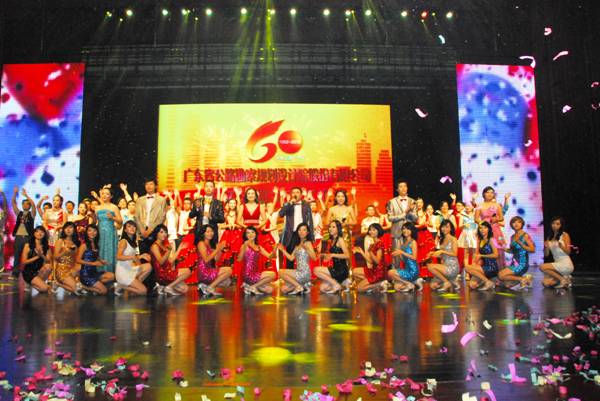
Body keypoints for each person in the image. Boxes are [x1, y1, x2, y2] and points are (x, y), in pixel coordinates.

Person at [149, 224, 192, 296]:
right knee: (188, 271)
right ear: (156, 233)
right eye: (161, 232)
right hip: (162, 274)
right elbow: (161, 262)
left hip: (168, 271)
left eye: (165, 232)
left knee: (185, 289)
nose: (164, 234)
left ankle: (163, 287)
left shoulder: (163, 246)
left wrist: (179, 248)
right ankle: (169, 287)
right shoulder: (154, 246)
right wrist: (168, 251)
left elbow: (171, 261)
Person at [278, 187, 314, 269]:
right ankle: (289, 275)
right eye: (293, 192)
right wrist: (290, 204)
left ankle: (302, 274)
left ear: (301, 195)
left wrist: (311, 236)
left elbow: (310, 220)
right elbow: (281, 214)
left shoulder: (306, 205)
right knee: (290, 258)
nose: (295, 194)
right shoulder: (287, 204)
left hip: (303, 234)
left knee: (303, 257)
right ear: (291, 194)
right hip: (291, 234)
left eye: (297, 192)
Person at [115, 220, 153, 296]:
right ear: (125, 230)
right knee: (143, 291)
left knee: (148, 266)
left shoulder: (132, 242)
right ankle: (122, 286)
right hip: (123, 272)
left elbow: (131, 255)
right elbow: (118, 256)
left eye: (134, 226)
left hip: (129, 269)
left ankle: (132, 286)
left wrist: (141, 256)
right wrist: (133, 257)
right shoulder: (124, 241)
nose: (132, 228)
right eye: (129, 226)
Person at [277, 223, 316, 295]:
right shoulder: (297, 246)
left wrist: (307, 249)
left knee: (280, 272)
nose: (301, 232)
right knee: (284, 289)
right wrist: (283, 250)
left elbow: (314, 258)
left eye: (304, 230)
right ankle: (303, 286)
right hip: (298, 271)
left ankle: (299, 286)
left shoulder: (308, 243)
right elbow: (291, 258)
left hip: (304, 273)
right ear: (297, 232)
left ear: (307, 232)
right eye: (299, 230)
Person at [76, 224, 115, 295]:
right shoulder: (84, 245)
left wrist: (102, 261)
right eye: (90, 230)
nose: (92, 232)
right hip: (86, 274)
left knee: (112, 276)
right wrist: (93, 263)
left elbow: (95, 256)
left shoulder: (96, 245)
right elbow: (77, 260)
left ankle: (95, 286)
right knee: (104, 291)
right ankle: (82, 286)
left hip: (94, 272)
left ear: (97, 232)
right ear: (87, 232)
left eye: (94, 230)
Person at [314, 220, 351, 294]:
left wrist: (332, 255)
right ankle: (342, 282)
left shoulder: (340, 239)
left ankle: (336, 284)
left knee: (316, 270)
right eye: (330, 227)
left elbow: (347, 255)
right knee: (322, 288)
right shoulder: (333, 240)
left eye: (333, 227)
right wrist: (323, 255)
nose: (330, 229)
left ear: (338, 229)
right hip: (335, 268)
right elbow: (335, 253)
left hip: (341, 270)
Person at [386, 181, 417, 269]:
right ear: (397, 189)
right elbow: (390, 218)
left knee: (409, 255)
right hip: (397, 233)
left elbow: (415, 218)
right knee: (397, 256)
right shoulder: (391, 202)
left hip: (409, 233)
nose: (403, 188)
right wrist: (404, 214)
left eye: (405, 186)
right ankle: (395, 274)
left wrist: (409, 212)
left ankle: (410, 274)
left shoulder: (412, 201)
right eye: (401, 186)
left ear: (407, 188)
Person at [238, 226, 277, 295]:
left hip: (256, 273)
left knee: (270, 290)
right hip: (247, 274)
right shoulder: (244, 245)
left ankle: (249, 286)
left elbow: (270, 257)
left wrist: (275, 249)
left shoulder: (259, 247)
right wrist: (244, 246)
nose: (250, 234)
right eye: (248, 233)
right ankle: (253, 286)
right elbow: (239, 259)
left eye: (252, 232)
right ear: (245, 235)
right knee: (273, 274)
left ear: (256, 234)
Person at [499, 216, 535, 290]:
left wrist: (521, 244)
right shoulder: (512, 236)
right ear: (511, 224)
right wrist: (504, 248)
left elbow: (532, 249)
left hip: (522, 264)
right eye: (514, 222)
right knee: (507, 284)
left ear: (522, 224)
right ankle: (525, 279)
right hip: (514, 263)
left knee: (501, 275)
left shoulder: (525, 235)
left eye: (519, 222)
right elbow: (513, 251)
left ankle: (523, 279)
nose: (516, 224)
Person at [352, 223, 389, 293]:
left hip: (379, 272)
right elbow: (371, 262)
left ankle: (380, 283)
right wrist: (361, 252)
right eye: (370, 230)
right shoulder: (373, 244)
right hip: (373, 270)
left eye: (374, 230)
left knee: (359, 288)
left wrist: (370, 252)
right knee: (354, 271)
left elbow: (378, 261)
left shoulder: (380, 243)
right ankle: (373, 286)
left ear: (378, 231)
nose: (371, 232)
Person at [196, 224, 232, 296]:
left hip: (209, 269)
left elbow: (215, 260)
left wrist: (221, 250)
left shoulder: (210, 244)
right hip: (204, 271)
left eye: (211, 231)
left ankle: (205, 286)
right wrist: (217, 250)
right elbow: (206, 260)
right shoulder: (201, 243)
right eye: (208, 232)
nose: (210, 233)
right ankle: (210, 287)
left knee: (227, 282)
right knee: (229, 270)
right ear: (203, 233)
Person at [475, 186, 506, 268]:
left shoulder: (497, 205)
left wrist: (495, 219)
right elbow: (476, 219)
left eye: (492, 192)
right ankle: (486, 269)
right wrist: (483, 224)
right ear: (483, 194)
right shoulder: (479, 206)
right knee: (485, 249)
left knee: (498, 249)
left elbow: (502, 218)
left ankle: (499, 269)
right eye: (487, 192)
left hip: (495, 230)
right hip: (484, 231)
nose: (490, 194)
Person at [540, 217, 574, 289]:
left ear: (561, 225)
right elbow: (546, 254)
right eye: (553, 223)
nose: (554, 225)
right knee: (545, 283)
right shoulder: (549, 237)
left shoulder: (565, 235)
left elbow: (569, 252)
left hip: (566, 264)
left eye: (557, 224)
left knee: (542, 267)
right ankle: (566, 278)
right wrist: (546, 247)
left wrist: (562, 247)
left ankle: (563, 280)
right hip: (557, 264)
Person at [427, 219, 460, 292]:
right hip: (445, 266)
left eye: (447, 227)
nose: (444, 229)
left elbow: (455, 254)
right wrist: (433, 254)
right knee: (433, 286)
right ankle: (451, 281)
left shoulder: (453, 239)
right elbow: (443, 256)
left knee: (430, 266)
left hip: (452, 267)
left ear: (451, 228)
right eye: (443, 227)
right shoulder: (442, 239)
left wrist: (441, 251)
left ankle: (446, 282)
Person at [388, 222, 423, 292]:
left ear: (412, 230)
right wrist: (398, 254)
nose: (405, 230)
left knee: (390, 273)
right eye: (403, 229)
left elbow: (414, 257)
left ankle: (408, 283)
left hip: (413, 271)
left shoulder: (413, 242)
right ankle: (414, 282)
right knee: (396, 287)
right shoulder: (404, 243)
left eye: (407, 229)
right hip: (407, 269)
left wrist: (401, 252)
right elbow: (404, 260)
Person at [95, 187, 123, 273]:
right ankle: (100, 272)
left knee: (109, 251)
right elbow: (96, 221)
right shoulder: (97, 208)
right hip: (100, 232)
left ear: (111, 196)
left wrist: (113, 218)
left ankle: (110, 272)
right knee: (100, 249)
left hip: (110, 232)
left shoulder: (114, 207)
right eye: (103, 193)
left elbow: (120, 221)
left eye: (107, 194)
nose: (104, 195)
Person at [11, 187, 36, 279]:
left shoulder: (32, 214)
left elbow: (33, 205)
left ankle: (29, 273)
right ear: (22, 205)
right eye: (24, 204)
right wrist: (15, 193)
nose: (25, 205)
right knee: (17, 255)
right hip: (18, 236)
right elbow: (13, 203)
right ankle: (15, 273)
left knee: (28, 256)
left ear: (29, 206)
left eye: (27, 204)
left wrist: (26, 196)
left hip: (28, 237)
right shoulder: (19, 213)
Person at [465, 222, 498, 291]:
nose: (482, 230)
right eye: (480, 228)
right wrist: (475, 261)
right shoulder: (480, 240)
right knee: (472, 285)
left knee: (467, 268)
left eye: (485, 228)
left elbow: (496, 255)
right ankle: (486, 280)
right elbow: (477, 254)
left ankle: (488, 282)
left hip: (492, 267)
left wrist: (481, 255)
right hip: (483, 266)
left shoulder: (491, 239)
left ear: (489, 229)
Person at [20, 226, 53, 293]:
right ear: (34, 233)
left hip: (39, 271)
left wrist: (42, 255)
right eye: (37, 231)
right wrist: (37, 256)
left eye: (42, 232)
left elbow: (48, 261)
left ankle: (34, 283)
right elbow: (23, 262)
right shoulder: (28, 245)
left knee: (48, 266)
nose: (39, 233)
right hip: (28, 272)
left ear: (45, 234)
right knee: (46, 288)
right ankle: (31, 282)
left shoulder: (46, 247)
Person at [53, 222, 82, 295]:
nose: (68, 229)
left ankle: (69, 284)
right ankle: (58, 284)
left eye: (70, 227)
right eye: (66, 228)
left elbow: (77, 258)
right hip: (62, 269)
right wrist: (64, 252)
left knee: (81, 267)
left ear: (74, 230)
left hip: (72, 269)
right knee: (77, 290)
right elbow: (55, 257)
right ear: (64, 229)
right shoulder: (60, 241)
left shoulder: (76, 243)